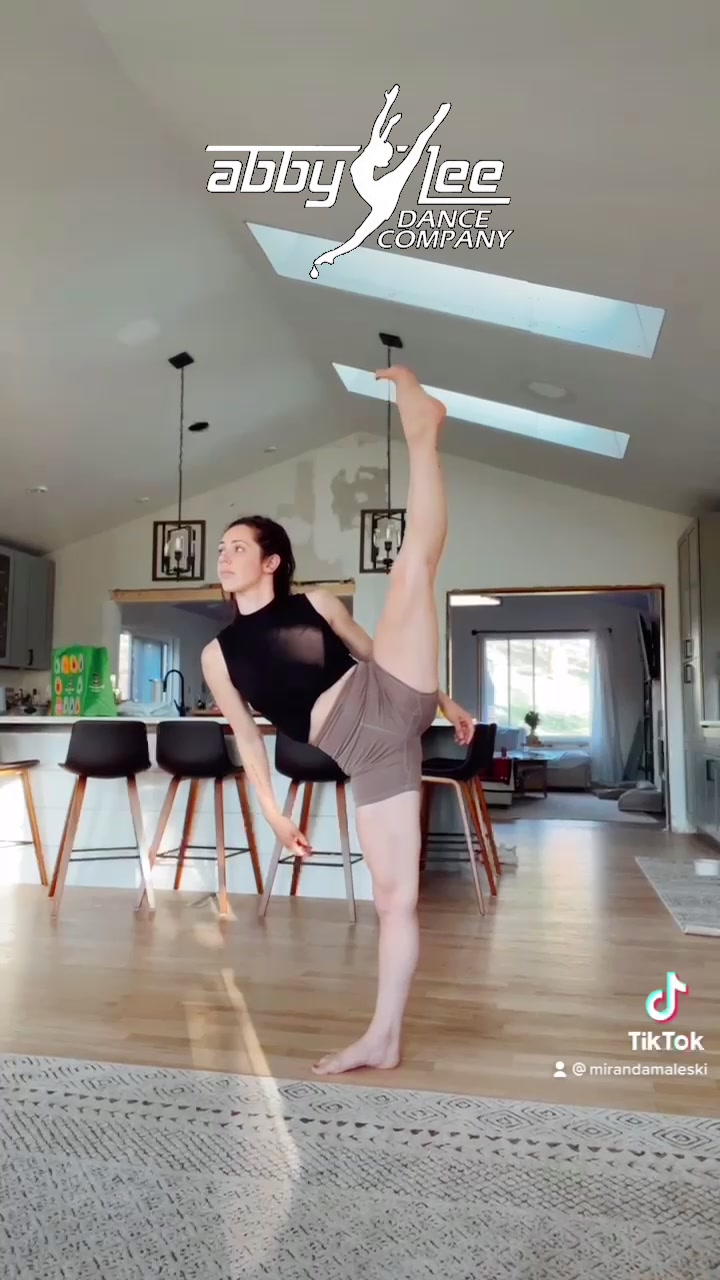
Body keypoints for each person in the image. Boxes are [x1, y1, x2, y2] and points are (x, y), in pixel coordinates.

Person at [201, 365, 474, 1075]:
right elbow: (249, 742)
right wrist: (272, 814)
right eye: (220, 548)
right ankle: (383, 1037)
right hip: (368, 755)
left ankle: (423, 429)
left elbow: (378, 653)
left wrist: (443, 698)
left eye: (237, 546)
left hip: (391, 695)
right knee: (394, 900)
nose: (224, 556)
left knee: (412, 571)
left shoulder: (316, 603)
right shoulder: (218, 654)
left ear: (270, 561)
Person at [309, 87, 451, 278]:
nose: (388, 162)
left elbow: (409, 139)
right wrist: (389, 103)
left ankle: (330, 256)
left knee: (414, 154)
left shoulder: (376, 157)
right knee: (359, 234)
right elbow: (379, 127)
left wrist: (437, 118)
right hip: (379, 194)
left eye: (388, 158)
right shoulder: (372, 149)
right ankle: (329, 256)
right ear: (379, 152)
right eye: (387, 158)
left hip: (384, 197)